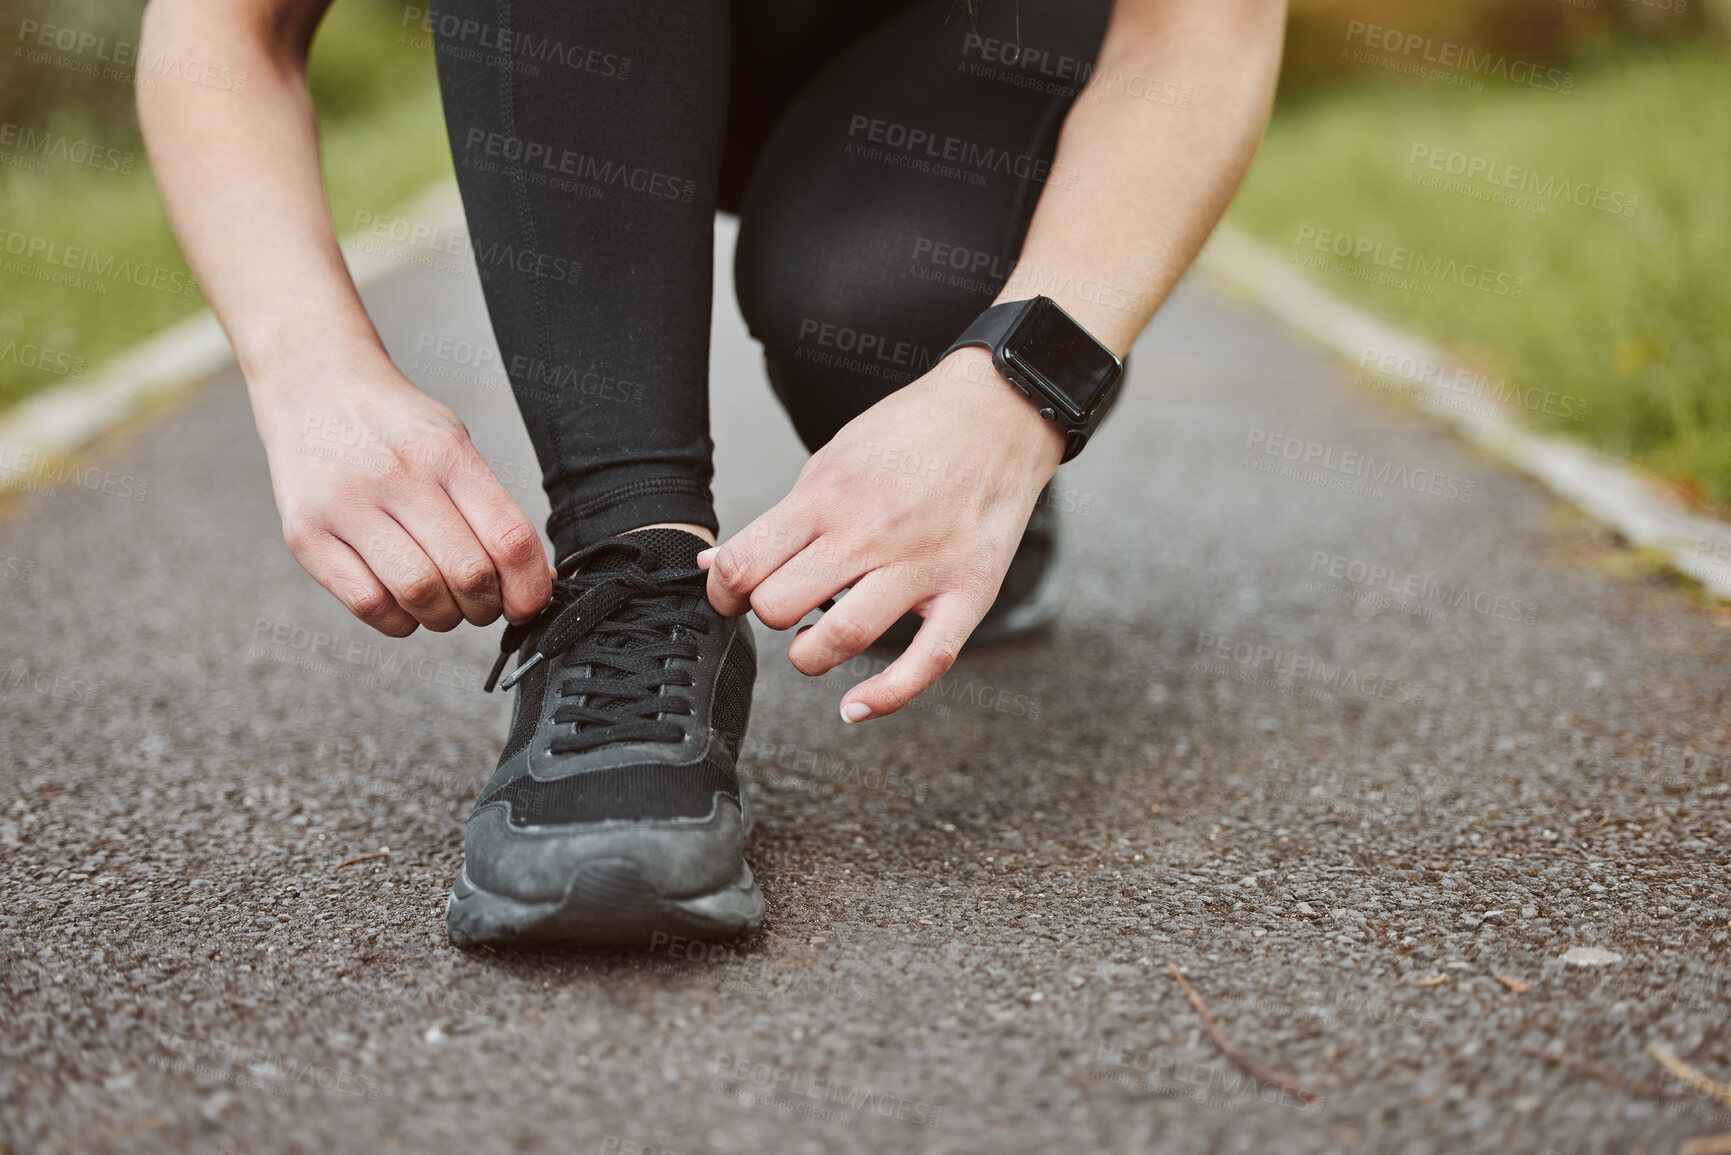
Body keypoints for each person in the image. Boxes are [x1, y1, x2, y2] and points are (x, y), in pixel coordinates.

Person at [139, 0, 1285, 946]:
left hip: (981, 44)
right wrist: (306, 367)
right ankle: (629, 560)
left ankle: (977, 490)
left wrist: (1015, 396)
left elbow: (1207, 30)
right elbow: (224, 31)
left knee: (870, 305)